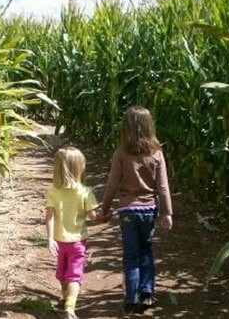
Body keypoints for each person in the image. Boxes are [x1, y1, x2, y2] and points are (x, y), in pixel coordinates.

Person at [101, 106, 173, 315]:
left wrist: (105, 208)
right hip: (149, 211)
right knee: (146, 252)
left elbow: (112, 185)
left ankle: (131, 298)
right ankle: (147, 293)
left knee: (131, 256)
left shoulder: (121, 154)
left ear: (125, 128)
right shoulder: (157, 154)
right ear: (149, 127)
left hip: (127, 212)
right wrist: (167, 213)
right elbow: (163, 187)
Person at [46, 146, 98, 319]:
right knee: (74, 275)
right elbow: (93, 216)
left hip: (60, 241)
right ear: (78, 169)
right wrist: (103, 216)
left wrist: (50, 239)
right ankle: (69, 307)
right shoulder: (85, 192)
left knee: (62, 273)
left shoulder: (53, 192)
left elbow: (50, 217)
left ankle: (64, 297)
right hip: (77, 242)